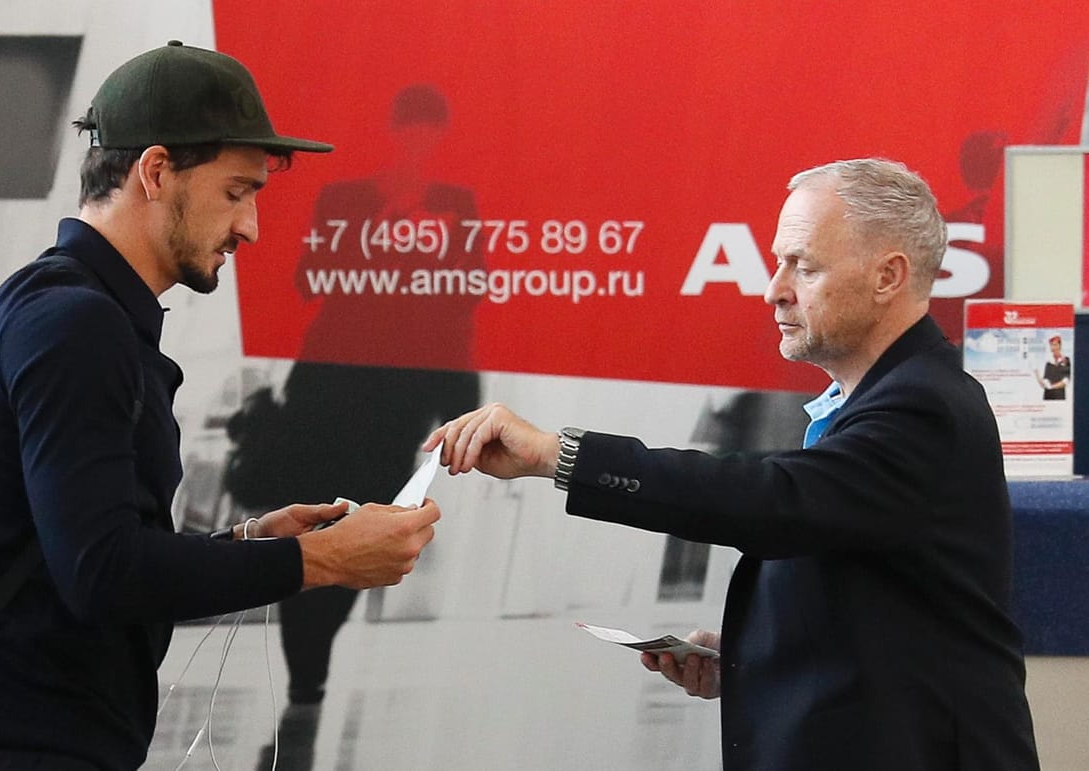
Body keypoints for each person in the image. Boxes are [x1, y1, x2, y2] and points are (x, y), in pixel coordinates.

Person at [0, 41, 440, 771]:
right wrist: (315, 559)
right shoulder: (75, 324)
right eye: (235, 192)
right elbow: (102, 574)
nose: (250, 227)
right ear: (155, 171)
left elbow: (87, 557)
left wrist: (247, 545)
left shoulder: (64, 306)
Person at [425, 158, 1040, 770]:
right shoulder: (880, 400)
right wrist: (752, 656)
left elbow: (775, 502)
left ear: (887, 276)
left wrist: (560, 454)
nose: (775, 288)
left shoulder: (923, 406)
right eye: (778, 262)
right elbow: (866, 585)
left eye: (804, 265)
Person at [222, 85, 480, 769]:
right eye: (409, 130)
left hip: (399, 402)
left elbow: (468, 297)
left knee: (364, 528)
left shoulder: (456, 204)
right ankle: (307, 677)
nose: (417, 143)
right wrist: (382, 226)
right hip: (326, 391)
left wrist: (463, 408)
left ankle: (315, 666)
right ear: (395, 134)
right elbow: (309, 279)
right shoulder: (346, 200)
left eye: (430, 132)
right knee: (316, 523)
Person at [1036, 334, 1071, 399]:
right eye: (1051, 345)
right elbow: (1044, 383)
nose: (1053, 347)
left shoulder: (1066, 360)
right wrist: (1036, 374)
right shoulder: (1048, 363)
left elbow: (1066, 381)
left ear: (1060, 346)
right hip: (1047, 397)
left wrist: (1052, 387)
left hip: (1059, 397)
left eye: (1055, 345)